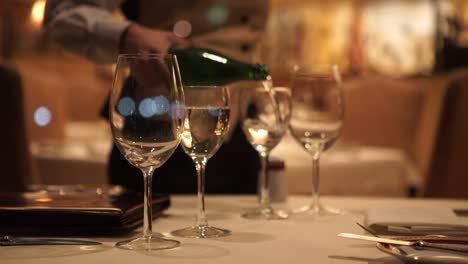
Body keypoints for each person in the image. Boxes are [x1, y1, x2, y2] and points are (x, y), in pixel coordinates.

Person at [43, 0, 270, 194]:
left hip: (242, 129)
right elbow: (62, 13)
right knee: (154, 237)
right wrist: (127, 35)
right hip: (158, 123)